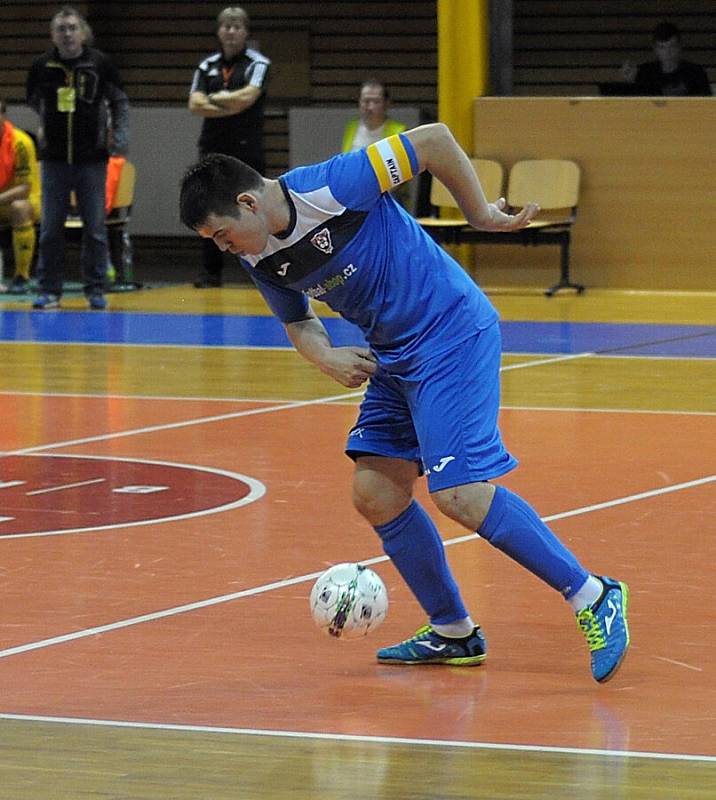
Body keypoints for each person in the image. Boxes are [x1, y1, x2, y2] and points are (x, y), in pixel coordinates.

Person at [179, 122, 631, 684]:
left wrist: (482, 215)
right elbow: (298, 321)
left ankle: (594, 595)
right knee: (375, 493)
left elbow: (436, 141)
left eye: (222, 234)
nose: (223, 249)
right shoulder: (260, 257)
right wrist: (326, 358)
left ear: (248, 202)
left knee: (459, 493)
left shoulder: (330, 188)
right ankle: (454, 631)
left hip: (450, 333)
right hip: (392, 356)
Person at [27, 5, 129, 310]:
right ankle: (50, 290)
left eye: (72, 28)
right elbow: (34, 100)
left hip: (92, 159)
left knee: (95, 229)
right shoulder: (41, 66)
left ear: (82, 32)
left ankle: (95, 289)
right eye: (61, 29)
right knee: (50, 229)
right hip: (55, 160)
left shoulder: (100, 64)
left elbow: (119, 102)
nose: (67, 34)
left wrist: (118, 139)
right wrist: (48, 124)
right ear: (52, 35)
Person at [188, 5, 270, 289]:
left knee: (252, 207)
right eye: (226, 26)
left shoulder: (257, 64)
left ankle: (264, 270)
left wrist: (216, 100)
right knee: (209, 208)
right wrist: (229, 103)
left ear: (246, 32)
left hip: (247, 149)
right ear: (219, 31)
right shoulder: (206, 66)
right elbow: (194, 104)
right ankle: (211, 272)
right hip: (212, 148)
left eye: (237, 26)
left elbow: (247, 98)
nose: (231, 31)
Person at [0, 99, 41, 294]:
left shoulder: (21, 143)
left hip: (27, 200)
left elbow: (25, 189)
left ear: (3, 116)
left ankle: (21, 276)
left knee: (19, 207)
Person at [622, 21, 712, 96]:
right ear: (655, 49)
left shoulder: (695, 73)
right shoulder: (644, 73)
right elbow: (633, 107)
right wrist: (630, 82)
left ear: (680, 46)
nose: (668, 52)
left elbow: (707, 106)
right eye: (662, 47)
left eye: (672, 46)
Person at [341, 79, 407, 153]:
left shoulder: (399, 132)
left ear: (386, 103)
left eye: (376, 102)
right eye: (366, 101)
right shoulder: (351, 127)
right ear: (359, 102)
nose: (370, 107)